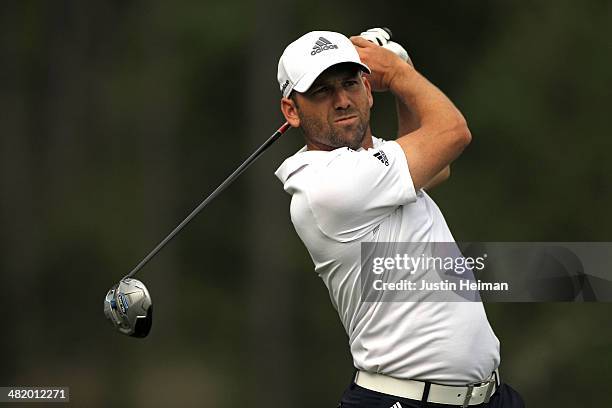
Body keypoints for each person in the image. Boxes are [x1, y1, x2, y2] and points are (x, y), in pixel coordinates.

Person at [274, 30, 525, 408]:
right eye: (321, 91)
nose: (342, 100)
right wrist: (395, 71)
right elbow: (453, 133)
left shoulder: (371, 169)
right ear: (291, 110)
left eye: (350, 84)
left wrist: (401, 69)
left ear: (367, 91)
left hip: (489, 397)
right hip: (401, 400)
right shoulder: (327, 185)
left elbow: (436, 167)